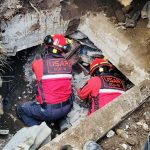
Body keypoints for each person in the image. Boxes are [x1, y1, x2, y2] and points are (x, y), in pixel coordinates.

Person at [16, 34, 74, 126]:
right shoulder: (68, 64)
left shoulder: (38, 64)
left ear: (47, 46)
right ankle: (60, 122)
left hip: (49, 111)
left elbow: (35, 73)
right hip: (67, 107)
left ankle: (40, 129)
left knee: (21, 108)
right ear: (63, 50)